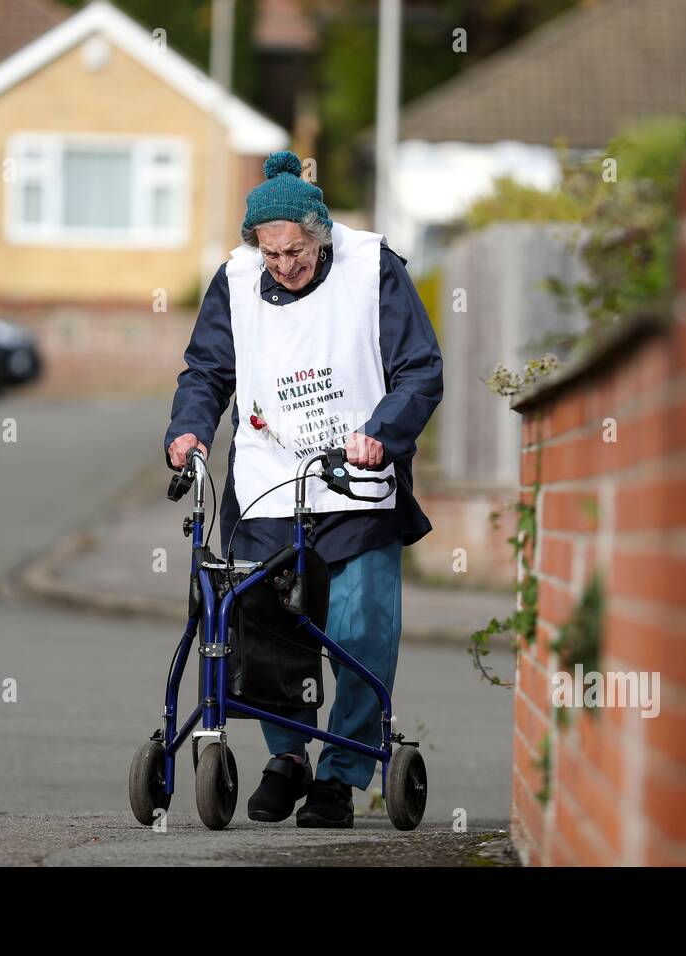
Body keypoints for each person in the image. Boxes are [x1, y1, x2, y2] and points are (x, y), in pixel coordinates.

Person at [163, 150, 442, 828]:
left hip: (355, 484)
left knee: (359, 629)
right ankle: (287, 758)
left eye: (295, 252)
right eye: (271, 254)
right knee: (267, 630)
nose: (283, 266)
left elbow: (420, 370)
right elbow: (205, 371)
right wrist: (189, 430)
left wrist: (383, 430)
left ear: (319, 235)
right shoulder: (234, 281)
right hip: (268, 483)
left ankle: (341, 774)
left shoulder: (372, 267)